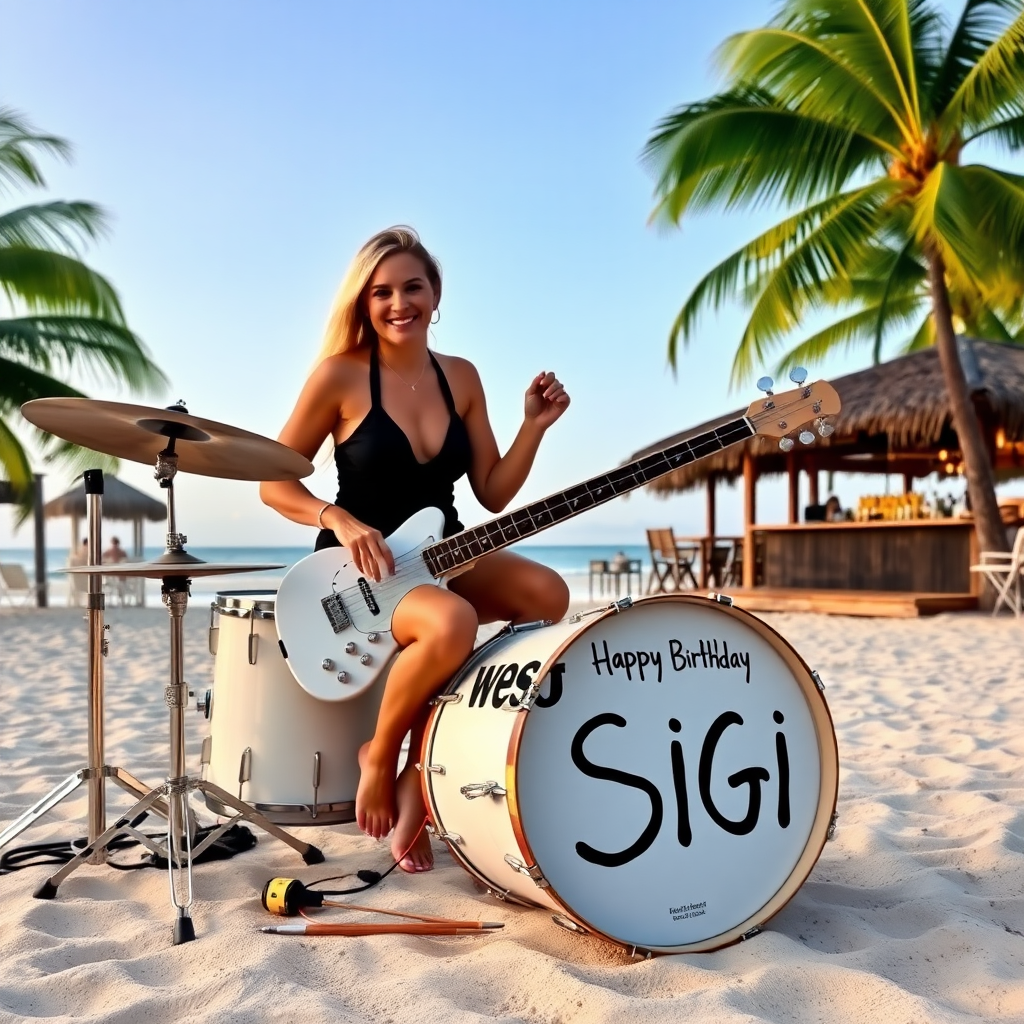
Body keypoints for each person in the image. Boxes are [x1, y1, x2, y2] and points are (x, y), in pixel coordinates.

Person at [260, 226, 571, 872]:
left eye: (412, 287)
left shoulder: (460, 377)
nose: (398, 303)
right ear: (363, 303)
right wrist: (338, 519)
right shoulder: (340, 377)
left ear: (435, 295)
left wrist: (532, 429)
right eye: (381, 292)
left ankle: (421, 767)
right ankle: (384, 755)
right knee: (451, 620)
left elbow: (491, 493)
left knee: (549, 595)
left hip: (448, 552)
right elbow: (273, 481)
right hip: (361, 571)